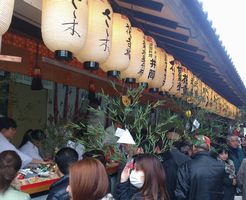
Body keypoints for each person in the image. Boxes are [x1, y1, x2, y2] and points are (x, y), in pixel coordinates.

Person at [175, 135, 225, 200]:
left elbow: (180, 194)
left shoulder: (186, 166)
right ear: (209, 148)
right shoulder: (220, 165)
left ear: (193, 147)